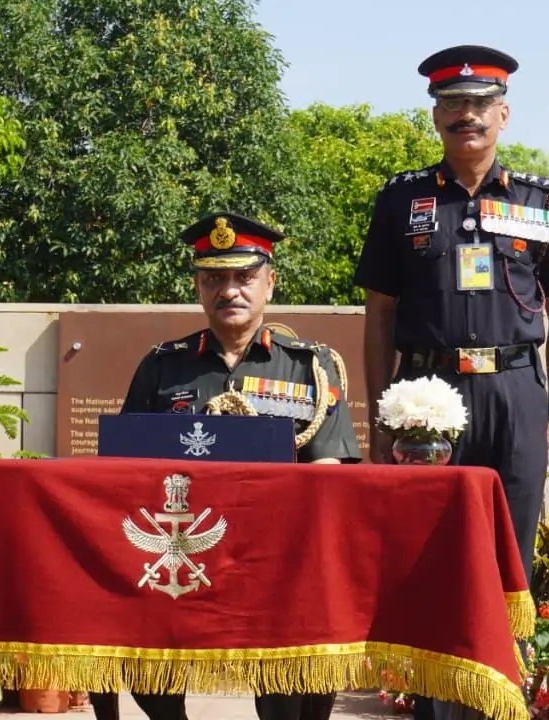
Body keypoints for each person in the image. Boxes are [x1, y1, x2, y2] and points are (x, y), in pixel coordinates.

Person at [351, 45, 549, 719]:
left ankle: (501, 704)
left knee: (510, 559)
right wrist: (380, 416)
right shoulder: (402, 201)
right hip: (426, 401)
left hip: (516, 396)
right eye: (453, 105)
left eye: (481, 105)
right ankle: (434, 709)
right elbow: (380, 314)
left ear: (504, 115)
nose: (467, 117)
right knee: (429, 562)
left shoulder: (540, 200)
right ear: (436, 118)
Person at [88, 212, 363, 720]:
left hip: (276, 557)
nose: (230, 290)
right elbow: (124, 469)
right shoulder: (163, 366)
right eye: (215, 278)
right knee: (139, 635)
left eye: (244, 278)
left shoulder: (308, 368)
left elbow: (329, 472)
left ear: (270, 284)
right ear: (198, 287)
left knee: (291, 683)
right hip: (186, 553)